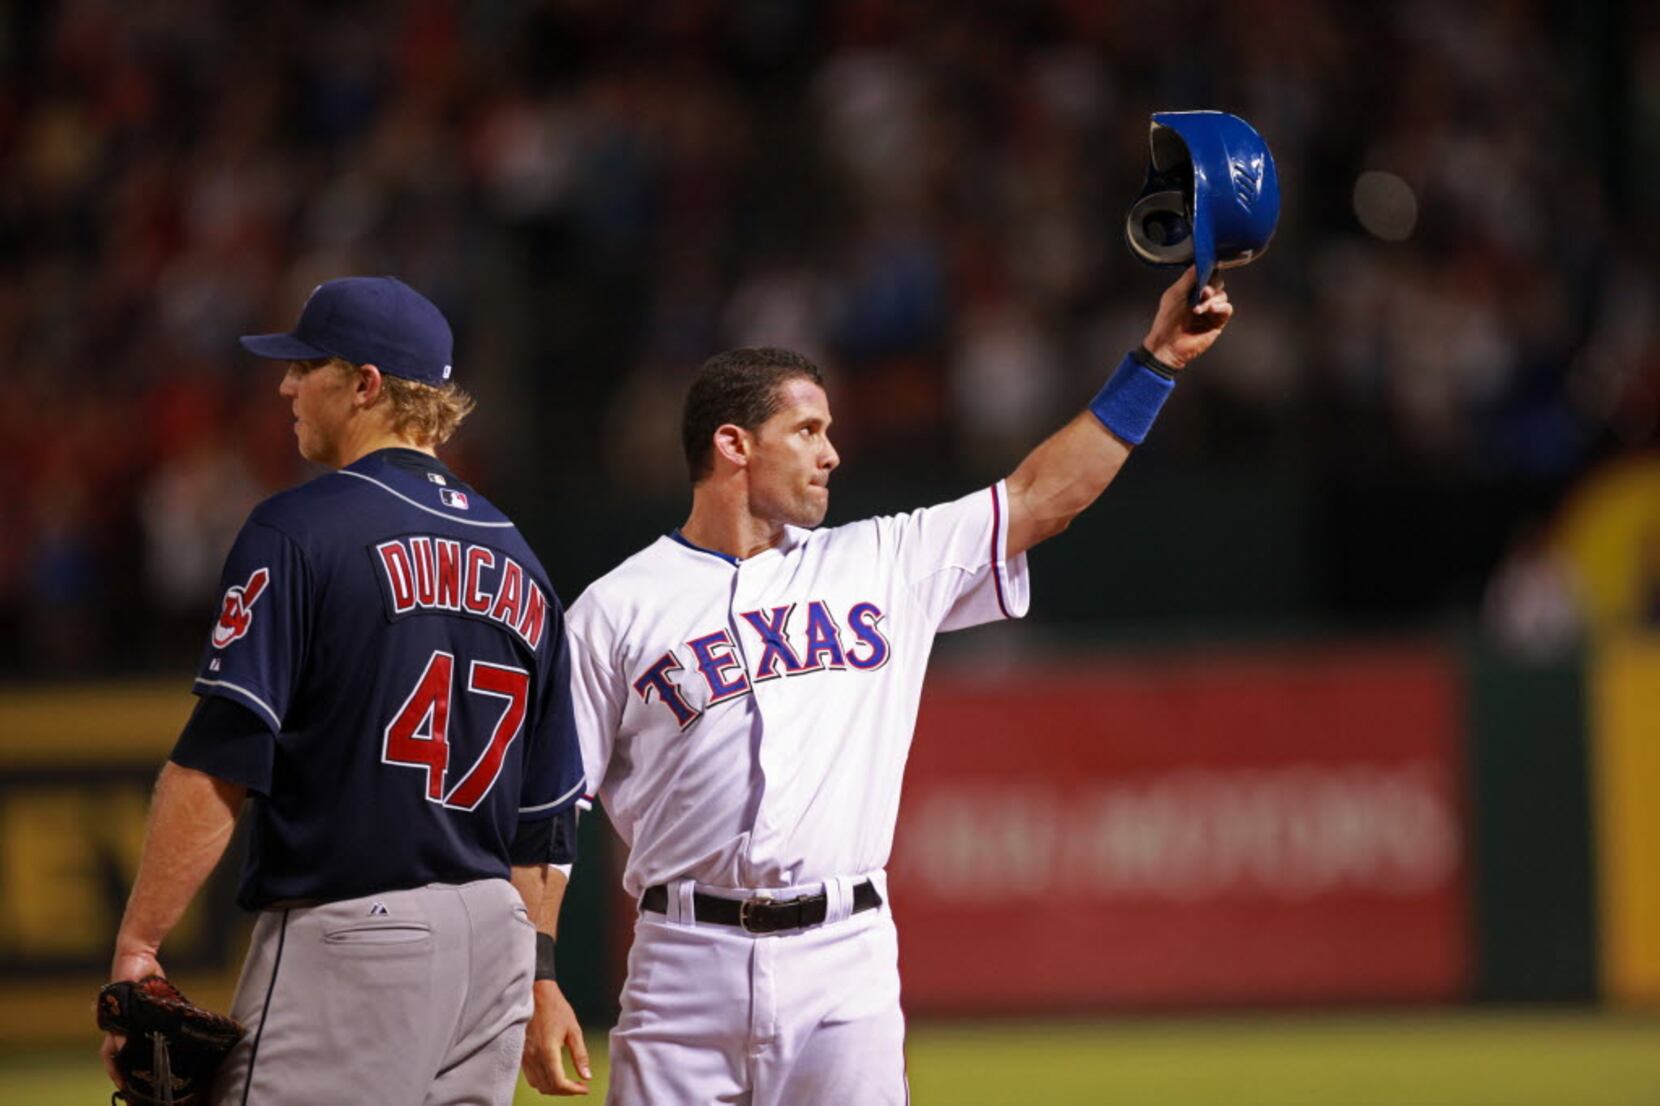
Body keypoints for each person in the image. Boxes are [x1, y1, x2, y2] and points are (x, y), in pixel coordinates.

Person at [562, 267, 1233, 1103]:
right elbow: (553, 806)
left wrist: (1158, 358)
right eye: (806, 430)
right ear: (734, 444)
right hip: (682, 958)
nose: (831, 451)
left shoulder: (881, 562)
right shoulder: (616, 607)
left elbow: (1042, 497)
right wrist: (538, 971)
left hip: (846, 956)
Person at [100, 276, 590, 1105]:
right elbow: (547, 823)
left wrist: (138, 950)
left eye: (306, 366)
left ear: (366, 384)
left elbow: (222, 757)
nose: (286, 385)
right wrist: (539, 973)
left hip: (359, 938)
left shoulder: (299, 529)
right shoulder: (523, 562)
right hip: (494, 949)